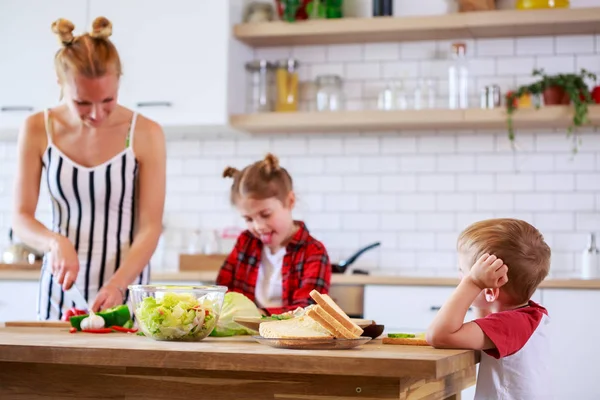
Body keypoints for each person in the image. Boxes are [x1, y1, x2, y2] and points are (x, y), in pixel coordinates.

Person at [11, 17, 166, 320]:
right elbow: (21, 217)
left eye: (108, 100)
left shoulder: (146, 132)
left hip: (127, 289)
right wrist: (53, 241)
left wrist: (118, 284)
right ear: (60, 83)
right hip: (61, 291)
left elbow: (150, 226)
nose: (97, 114)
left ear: (119, 81)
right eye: (82, 102)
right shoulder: (37, 129)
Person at [426, 218, 552, 400]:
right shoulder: (529, 316)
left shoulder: (509, 324)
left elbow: (438, 335)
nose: (460, 278)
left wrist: (472, 284)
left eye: (463, 272)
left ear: (491, 291)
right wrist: (476, 285)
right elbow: (482, 321)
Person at [216, 153, 331, 316]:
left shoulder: (314, 252)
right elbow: (221, 291)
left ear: (290, 201)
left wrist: (255, 314)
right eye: (248, 219)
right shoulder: (245, 242)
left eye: (265, 214)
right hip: (245, 337)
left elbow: (307, 309)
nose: (258, 226)